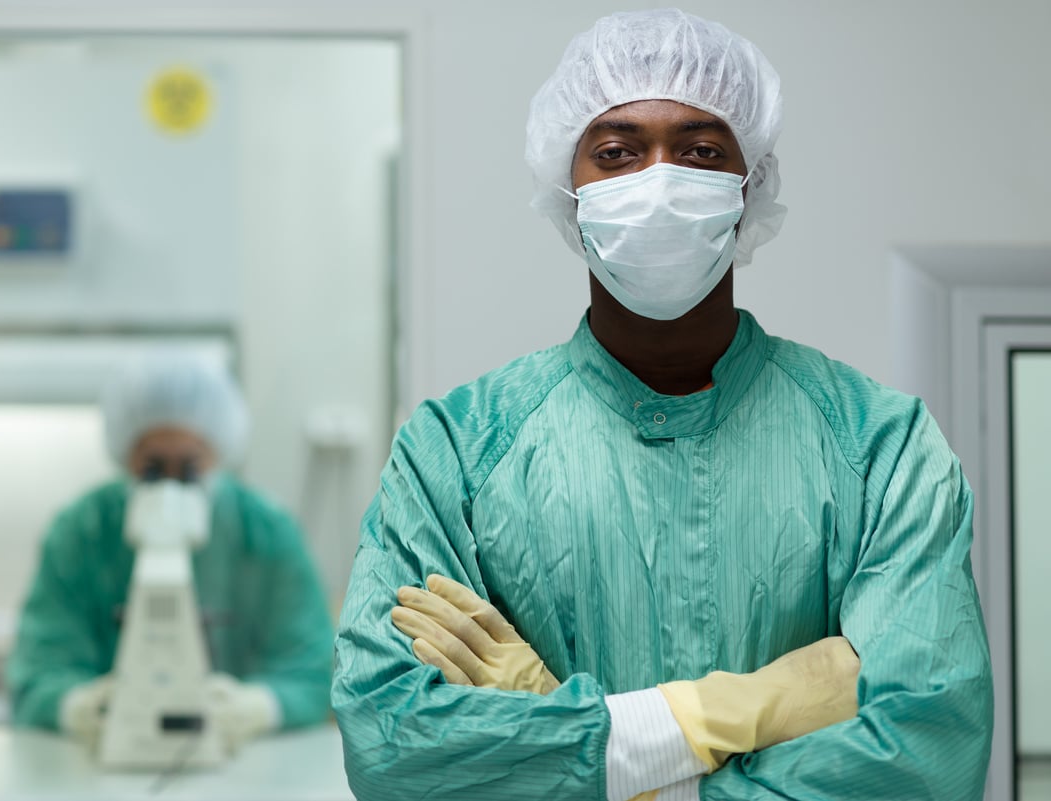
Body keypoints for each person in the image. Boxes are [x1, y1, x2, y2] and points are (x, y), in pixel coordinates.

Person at [332, 8, 992, 801]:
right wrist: (711, 716)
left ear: (750, 188)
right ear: (565, 190)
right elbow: (395, 748)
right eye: (614, 152)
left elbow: (925, 752)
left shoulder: (879, 447)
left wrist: (569, 739)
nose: (657, 179)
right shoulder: (457, 452)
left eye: (701, 150)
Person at [6, 353, 334, 751]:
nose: (172, 486)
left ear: (219, 452)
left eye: (190, 468)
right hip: (105, 762)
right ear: (126, 455)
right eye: (153, 468)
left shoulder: (267, 532)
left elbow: (313, 670)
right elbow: (38, 671)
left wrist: (259, 707)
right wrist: (79, 707)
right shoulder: (81, 532)